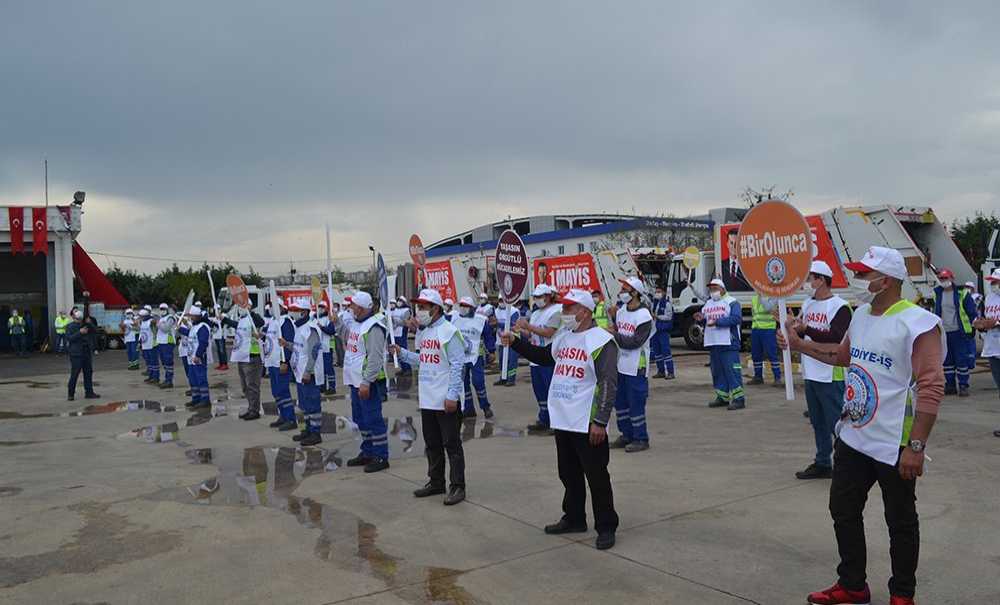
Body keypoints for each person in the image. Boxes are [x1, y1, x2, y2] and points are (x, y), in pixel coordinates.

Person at [780, 246, 943, 605]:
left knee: (900, 520)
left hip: (894, 441)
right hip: (854, 434)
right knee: (843, 509)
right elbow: (842, 356)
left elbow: (932, 386)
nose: (857, 280)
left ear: (885, 280)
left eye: (864, 274)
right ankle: (853, 584)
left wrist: (916, 447)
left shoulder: (917, 323)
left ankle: (902, 594)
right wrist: (797, 344)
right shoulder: (861, 315)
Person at [503, 288, 620, 550]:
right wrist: (516, 342)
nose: (564, 312)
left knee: (597, 476)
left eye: (569, 308)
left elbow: (608, 383)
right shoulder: (564, 337)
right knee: (568, 474)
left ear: (585, 312)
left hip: (586, 421)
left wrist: (600, 421)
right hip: (563, 418)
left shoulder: (601, 341)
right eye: (564, 307)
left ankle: (606, 526)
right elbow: (545, 358)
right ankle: (574, 517)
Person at [389, 288, 467, 505]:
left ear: (436, 309)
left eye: (423, 307)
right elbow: (424, 359)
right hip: (428, 398)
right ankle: (436, 481)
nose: (419, 310)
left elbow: (457, 365)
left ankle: (458, 486)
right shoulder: (424, 333)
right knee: (432, 443)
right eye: (418, 306)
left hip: (446, 399)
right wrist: (402, 353)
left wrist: (452, 395)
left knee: (451, 444)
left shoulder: (449, 332)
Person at [790, 261, 851, 480]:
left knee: (836, 422)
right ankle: (823, 462)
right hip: (811, 371)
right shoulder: (807, 304)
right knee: (817, 421)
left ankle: (846, 462)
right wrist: (792, 327)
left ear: (822, 279)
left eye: (810, 278)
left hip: (831, 373)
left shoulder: (840, 306)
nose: (807, 282)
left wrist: (807, 329)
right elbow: (801, 330)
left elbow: (836, 336)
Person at [341, 290, 390, 473]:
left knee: (373, 419)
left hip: (366, 383)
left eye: (352, 305)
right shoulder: (357, 323)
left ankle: (381, 455)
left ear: (360, 308)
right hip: (355, 380)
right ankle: (367, 451)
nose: (350, 308)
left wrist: (367, 381)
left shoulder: (374, 327)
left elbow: (375, 358)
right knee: (360, 418)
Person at [606, 277, 653, 452]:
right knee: (621, 402)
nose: (621, 292)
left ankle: (641, 438)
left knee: (636, 403)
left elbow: (635, 342)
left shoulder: (644, 316)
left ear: (635, 293)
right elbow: (619, 332)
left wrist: (613, 334)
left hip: (636, 367)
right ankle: (626, 434)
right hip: (621, 364)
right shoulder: (621, 311)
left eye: (625, 289)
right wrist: (613, 321)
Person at [517, 284, 562, 434]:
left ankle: (556, 423)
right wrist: (519, 331)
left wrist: (528, 327)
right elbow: (532, 335)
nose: (537, 300)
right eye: (535, 297)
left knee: (551, 392)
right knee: (540, 392)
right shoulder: (535, 313)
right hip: (535, 359)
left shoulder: (557, 311)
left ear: (549, 296)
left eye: (540, 297)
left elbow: (549, 332)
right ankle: (544, 419)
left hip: (549, 357)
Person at [696, 278, 745, 410]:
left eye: (715, 288)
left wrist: (717, 322)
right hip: (714, 343)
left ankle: (739, 399)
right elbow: (706, 320)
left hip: (729, 343)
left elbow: (736, 318)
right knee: (717, 372)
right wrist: (701, 319)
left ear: (722, 289)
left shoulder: (732, 302)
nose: (713, 291)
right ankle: (722, 397)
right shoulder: (708, 304)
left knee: (732, 371)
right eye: (711, 289)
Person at [281, 303, 325, 446]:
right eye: (292, 310)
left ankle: (315, 432)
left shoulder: (311, 329)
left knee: (312, 404)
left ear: (304, 312)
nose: (292, 312)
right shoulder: (299, 328)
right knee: (304, 404)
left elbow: (314, 351)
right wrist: (286, 344)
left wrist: (308, 372)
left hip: (309, 374)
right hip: (299, 372)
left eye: (295, 310)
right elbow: (298, 347)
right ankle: (307, 429)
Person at [933, 268, 978, 397]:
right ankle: (950, 385)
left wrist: (975, 325)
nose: (943, 281)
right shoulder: (937, 293)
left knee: (961, 360)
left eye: (946, 278)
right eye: (941, 279)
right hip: (944, 332)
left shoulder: (962, 293)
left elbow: (971, 312)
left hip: (959, 332)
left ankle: (963, 385)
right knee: (947, 361)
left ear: (952, 279)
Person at [452, 297, 494, 419]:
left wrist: (491, 351)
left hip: (476, 356)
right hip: (460, 357)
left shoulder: (480, 320)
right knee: (463, 383)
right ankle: (469, 408)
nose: (463, 308)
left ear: (471, 308)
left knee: (478, 381)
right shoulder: (455, 319)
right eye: (461, 305)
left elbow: (488, 336)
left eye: (465, 306)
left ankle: (485, 407)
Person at [222, 305, 266, 421]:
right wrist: (224, 320)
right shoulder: (243, 319)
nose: (240, 308)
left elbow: (260, 322)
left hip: (253, 356)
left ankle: (254, 410)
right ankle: (251, 407)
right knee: (245, 387)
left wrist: (250, 311)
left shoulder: (253, 318)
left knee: (252, 386)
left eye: (242, 306)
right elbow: (237, 326)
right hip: (242, 356)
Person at [973, 268, 1000, 437]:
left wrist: (996, 323)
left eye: (996, 282)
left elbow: (995, 321)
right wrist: (981, 324)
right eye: (992, 282)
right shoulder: (989, 298)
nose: (993, 285)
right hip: (992, 348)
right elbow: (983, 317)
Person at [264, 302, 298, 431]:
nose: (272, 309)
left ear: (282, 308)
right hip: (272, 362)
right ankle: (283, 415)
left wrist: (286, 362)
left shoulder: (286, 322)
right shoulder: (273, 321)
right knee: (276, 391)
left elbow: (288, 342)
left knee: (283, 391)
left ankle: (290, 418)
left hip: (281, 362)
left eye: (276, 306)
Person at [179, 306, 213, 410]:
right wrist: (179, 328)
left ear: (196, 316)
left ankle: (205, 399)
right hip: (191, 358)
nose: (190, 318)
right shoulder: (194, 326)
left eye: (191, 316)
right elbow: (190, 334)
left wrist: (198, 355)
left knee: (201, 379)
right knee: (193, 379)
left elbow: (203, 342)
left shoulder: (203, 326)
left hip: (198, 358)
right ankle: (196, 398)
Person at [65, 309, 100, 401]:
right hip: (76, 354)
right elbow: (69, 338)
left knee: (88, 373)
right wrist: (79, 333)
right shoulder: (70, 326)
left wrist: (90, 323)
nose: (79, 321)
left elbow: (96, 331)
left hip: (86, 352)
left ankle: (89, 392)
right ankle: (70, 394)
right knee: (75, 374)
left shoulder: (86, 325)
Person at [492, 300, 520, 386]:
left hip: (513, 340)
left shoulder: (514, 311)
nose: (501, 302)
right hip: (501, 340)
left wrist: (498, 324)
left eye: (503, 300)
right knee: (502, 360)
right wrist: (498, 329)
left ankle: (511, 379)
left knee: (512, 361)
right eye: (500, 300)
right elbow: (493, 323)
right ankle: (503, 378)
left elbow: (512, 324)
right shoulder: (495, 311)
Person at [650, 284, 675, 380]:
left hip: (663, 330)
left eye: (659, 292)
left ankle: (670, 372)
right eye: (656, 292)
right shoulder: (654, 303)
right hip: (654, 330)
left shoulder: (667, 304)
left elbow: (668, 317)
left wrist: (657, 317)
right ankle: (660, 371)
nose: (657, 294)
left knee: (666, 351)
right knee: (657, 352)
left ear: (664, 293)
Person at [316, 301, 338, 394]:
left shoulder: (329, 319)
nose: (320, 309)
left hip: (327, 347)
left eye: (322, 307)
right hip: (319, 348)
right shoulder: (316, 319)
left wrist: (322, 327)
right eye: (319, 307)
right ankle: (323, 386)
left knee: (329, 369)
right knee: (322, 368)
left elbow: (331, 331)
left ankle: (332, 387)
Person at [155, 303, 177, 389]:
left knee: (168, 362)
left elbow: (165, 329)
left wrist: (158, 323)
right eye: (160, 308)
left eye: (163, 309)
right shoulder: (161, 318)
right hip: (161, 342)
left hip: (168, 342)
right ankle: (167, 379)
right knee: (164, 362)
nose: (162, 310)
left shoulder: (170, 318)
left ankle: (169, 381)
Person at [390, 296, 413, 376]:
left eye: (401, 301)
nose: (399, 302)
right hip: (394, 333)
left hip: (402, 333)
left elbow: (404, 321)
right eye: (398, 300)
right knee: (396, 352)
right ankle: (403, 368)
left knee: (403, 351)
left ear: (404, 302)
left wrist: (396, 322)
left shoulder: (407, 310)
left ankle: (408, 369)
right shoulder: (395, 310)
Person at [139, 308, 159, 383]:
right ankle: (151, 376)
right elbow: (141, 333)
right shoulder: (142, 322)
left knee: (154, 362)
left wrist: (153, 317)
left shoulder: (150, 321)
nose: (140, 317)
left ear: (145, 316)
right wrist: (139, 342)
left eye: (141, 316)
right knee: (149, 362)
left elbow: (155, 321)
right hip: (145, 345)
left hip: (152, 345)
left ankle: (156, 377)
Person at [211, 306, 230, 371]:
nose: (217, 310)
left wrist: (218, 319)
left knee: (222, 350)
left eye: (218, 309)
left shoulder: (224, 315)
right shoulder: (214, 318)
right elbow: (212, 325)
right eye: (215, 309)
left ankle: (225, 364)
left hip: (221, 335)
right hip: (216, 335)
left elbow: (222, 324)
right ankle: (221, 363)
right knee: (219, 350)